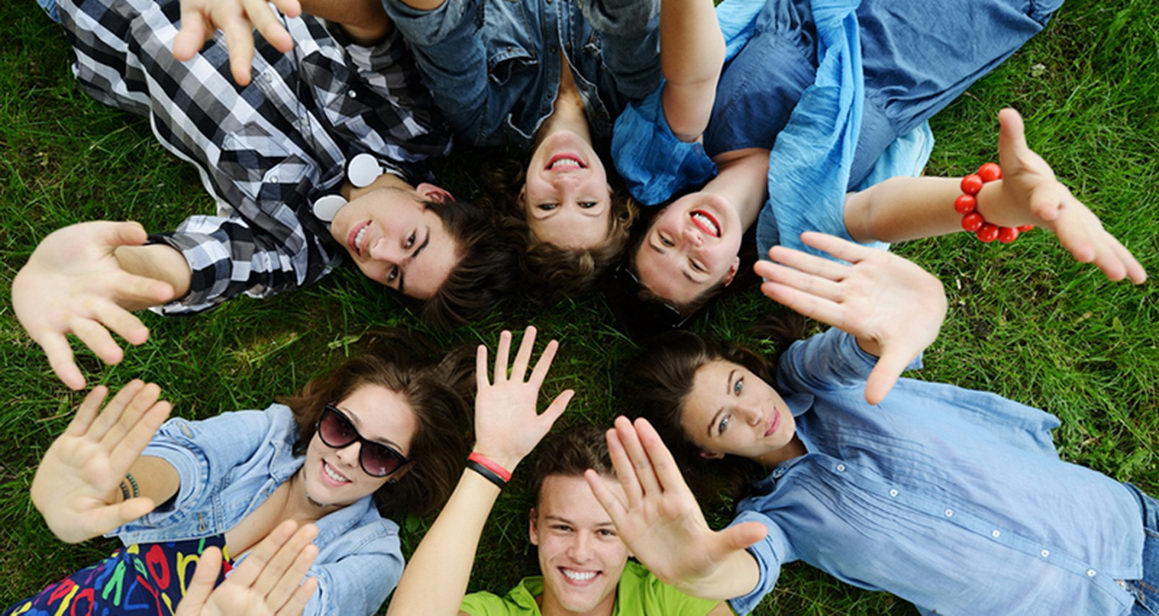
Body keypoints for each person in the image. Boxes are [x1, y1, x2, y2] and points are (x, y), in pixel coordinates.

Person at [588, 233, 1157, 615]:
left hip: (1128, 529)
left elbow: (858, 348)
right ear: (710, 452)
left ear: (746, 367)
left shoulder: (811, 379)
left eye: (738, 385)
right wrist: (701, 575)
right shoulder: (777, 517)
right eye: (722, 423)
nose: (754, 412)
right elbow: (749, 568)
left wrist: (890, 324)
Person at [19, 0, 517, 390]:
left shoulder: (293, 250)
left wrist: (110, 274)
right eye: (411, 241)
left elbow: (198, 266)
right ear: (434, 197)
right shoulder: (415, 127)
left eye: (393, 275)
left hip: (102, 15)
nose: (378, 251)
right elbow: (367, 23)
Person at [610, 0, 1144, 326]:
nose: (690, 240)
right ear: (729, 271)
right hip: (961, 18)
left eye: (665, 241)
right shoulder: (806, 234)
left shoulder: (680, 139)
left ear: (659, 214)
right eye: (696, 266)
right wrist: (1001, 202)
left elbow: (693, 69)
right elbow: (882, 212)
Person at [4, 334, 473, 615]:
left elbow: (315, 607)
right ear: (323, 413)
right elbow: (188, 460)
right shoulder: (270, 433)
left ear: (401, 472)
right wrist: (113, 489)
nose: (348, 455)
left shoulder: (374, 553)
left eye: (380, 454)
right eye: (342, 427)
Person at [385, 327, 733, 615]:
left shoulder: (668, 600)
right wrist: (492, 459)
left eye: (606, 532)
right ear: (534, 527)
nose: (580, 552)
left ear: (632, 541)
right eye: (563, 527)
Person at [377, 0, 663, 296]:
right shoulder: (636, 97)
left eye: (547, 206)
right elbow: (631, 16)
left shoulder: (483, 117)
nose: (566, 184)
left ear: (522, 198)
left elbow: (438, 29)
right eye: (588, 204)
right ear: (610, 193)